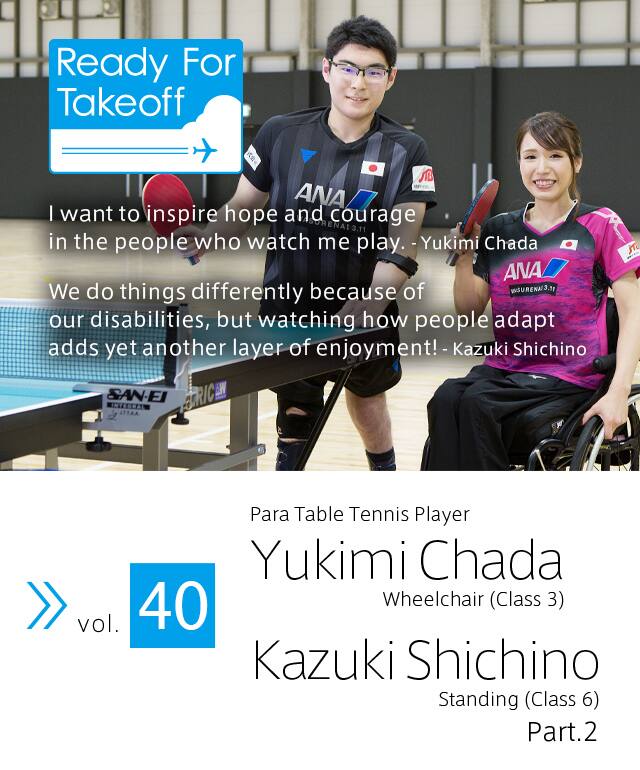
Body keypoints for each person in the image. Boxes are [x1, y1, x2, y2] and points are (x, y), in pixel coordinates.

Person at [179, 16, 437, 470]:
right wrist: (206, 237)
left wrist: (371, 303)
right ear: (327, 69)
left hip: (365, 310)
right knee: (295, 414)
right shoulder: (281, 133)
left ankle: (385, 472)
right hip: (289, 308)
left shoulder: (406, 149)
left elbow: (403, 242)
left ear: (391, 77)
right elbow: (243, 204)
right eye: (348, 68)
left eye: (373, 71)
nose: (358, 82)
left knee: (368, 400)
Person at [426, 111, 640, 470]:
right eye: (531, 156)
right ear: (519, 163)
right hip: (507, 370)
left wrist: (619, 391)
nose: (542, 168)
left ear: (577, 162)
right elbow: (469, 309)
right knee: (446, 398)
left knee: (478, 405)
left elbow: (634, 313)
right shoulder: (499, 230)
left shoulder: (601, 224)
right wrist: (463, 258)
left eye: (555, 155)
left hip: (570, 375)